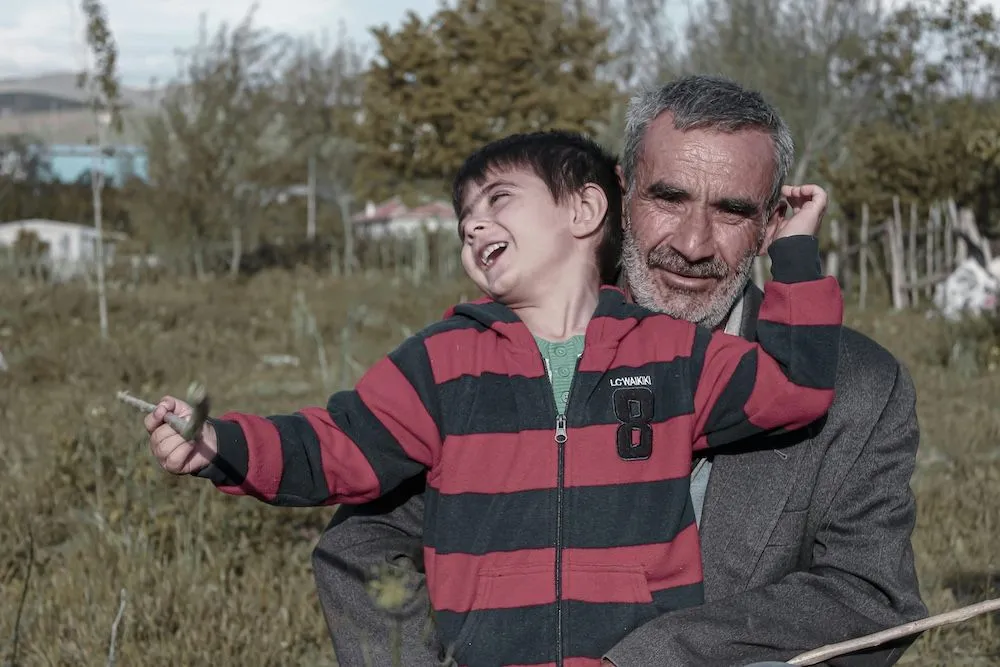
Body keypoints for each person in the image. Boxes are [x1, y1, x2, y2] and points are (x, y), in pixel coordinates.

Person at [145, 129, 842, 667]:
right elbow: (338, 446)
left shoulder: (670, 355)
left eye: (498, 201)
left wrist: (794, 253)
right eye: (464, 217)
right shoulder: (443, 362)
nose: (473, 225)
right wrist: (221, 445)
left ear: (585, 209)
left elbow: (795, 387)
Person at [311, 76, 928, 667]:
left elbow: (868, 593)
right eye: (669, 197)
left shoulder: (858, 386)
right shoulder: (498, 354)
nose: (692, 243)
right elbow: (362, 546)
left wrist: (653, 660)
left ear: (770, 226)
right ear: (621, 194)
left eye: (733, 212)